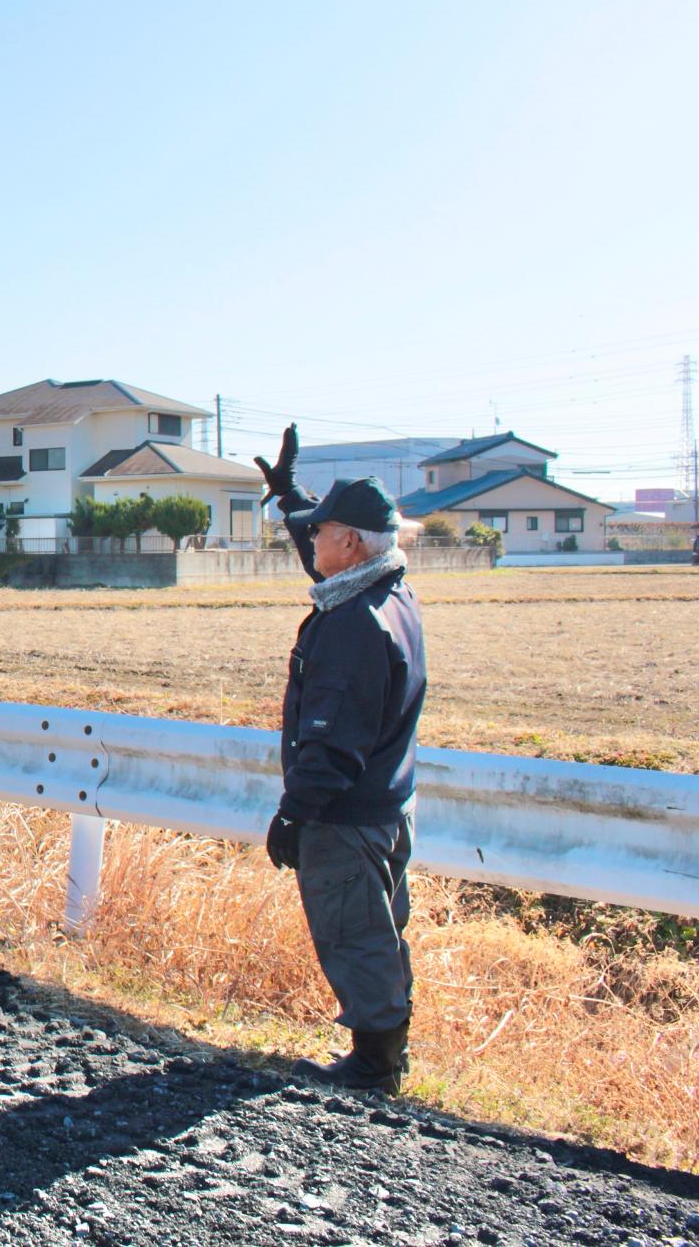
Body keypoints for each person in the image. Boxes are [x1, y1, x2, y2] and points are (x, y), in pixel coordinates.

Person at [254, 426, 426, 1093]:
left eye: (323, 529)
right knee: (380, 929)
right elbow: (322, 558)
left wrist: (295, 814)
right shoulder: (386, 594)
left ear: (351, 542)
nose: (311, 537)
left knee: (354, 932)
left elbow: (331, 741)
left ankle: (375, 1066)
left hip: (345, 813)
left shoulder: (353, 624)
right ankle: (385, 1052)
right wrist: (290, 493)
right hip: (386, 804)